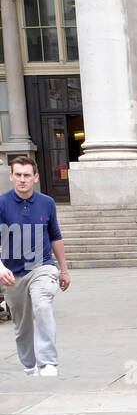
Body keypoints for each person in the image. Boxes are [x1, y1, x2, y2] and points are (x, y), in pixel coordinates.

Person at [0, 154, 70, 376]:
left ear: (35, 177)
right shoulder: (1, 204)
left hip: (42, 267)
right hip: (12, 273)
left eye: (27, 175)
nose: (22, 179)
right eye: (18, 175)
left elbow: (55, 237)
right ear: (11, 176)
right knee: (22, 327)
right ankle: (30, 365)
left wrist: (64, 270)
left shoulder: (47, 203)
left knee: (42, 305)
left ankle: (48, 362)